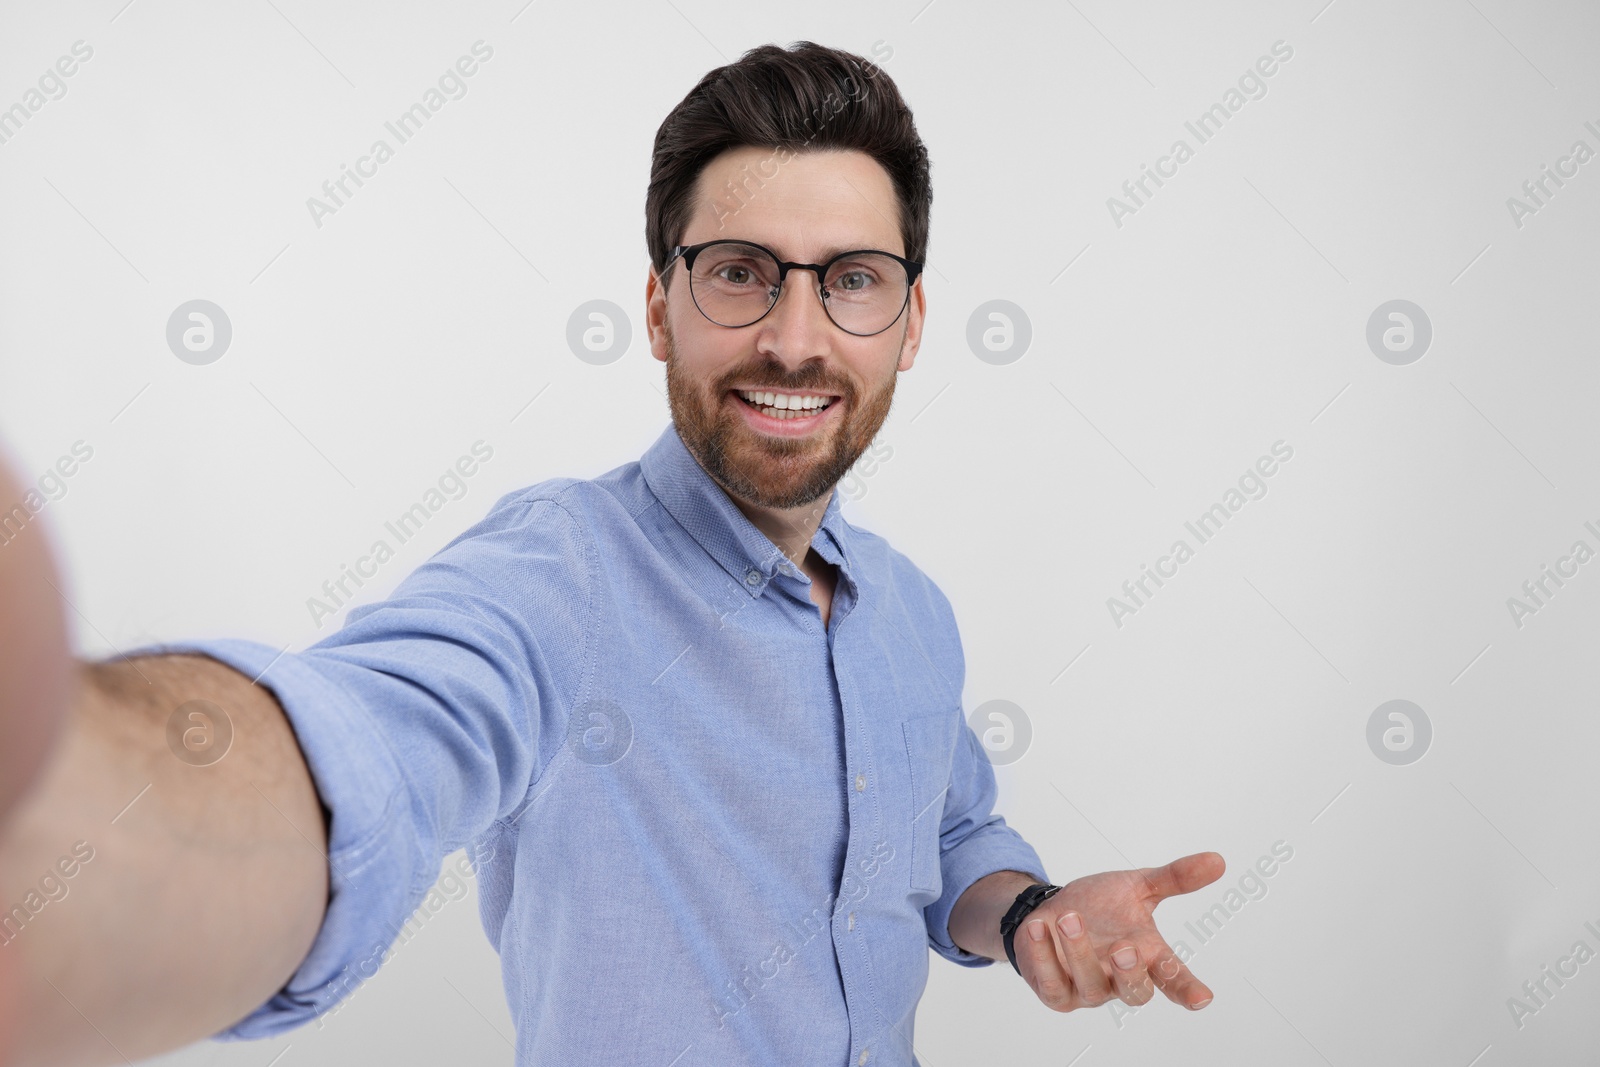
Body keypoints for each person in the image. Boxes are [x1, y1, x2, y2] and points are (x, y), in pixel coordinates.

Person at [0, 41, 1224, 1067]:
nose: (794, 340)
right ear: (657, 307)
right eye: (740, 274)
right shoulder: (556, 577)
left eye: (851, 281)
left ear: (907, 324)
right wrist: (64, 813)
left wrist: (1028, 915)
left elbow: (954, 830)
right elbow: (366, 747)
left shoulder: (911, 610)